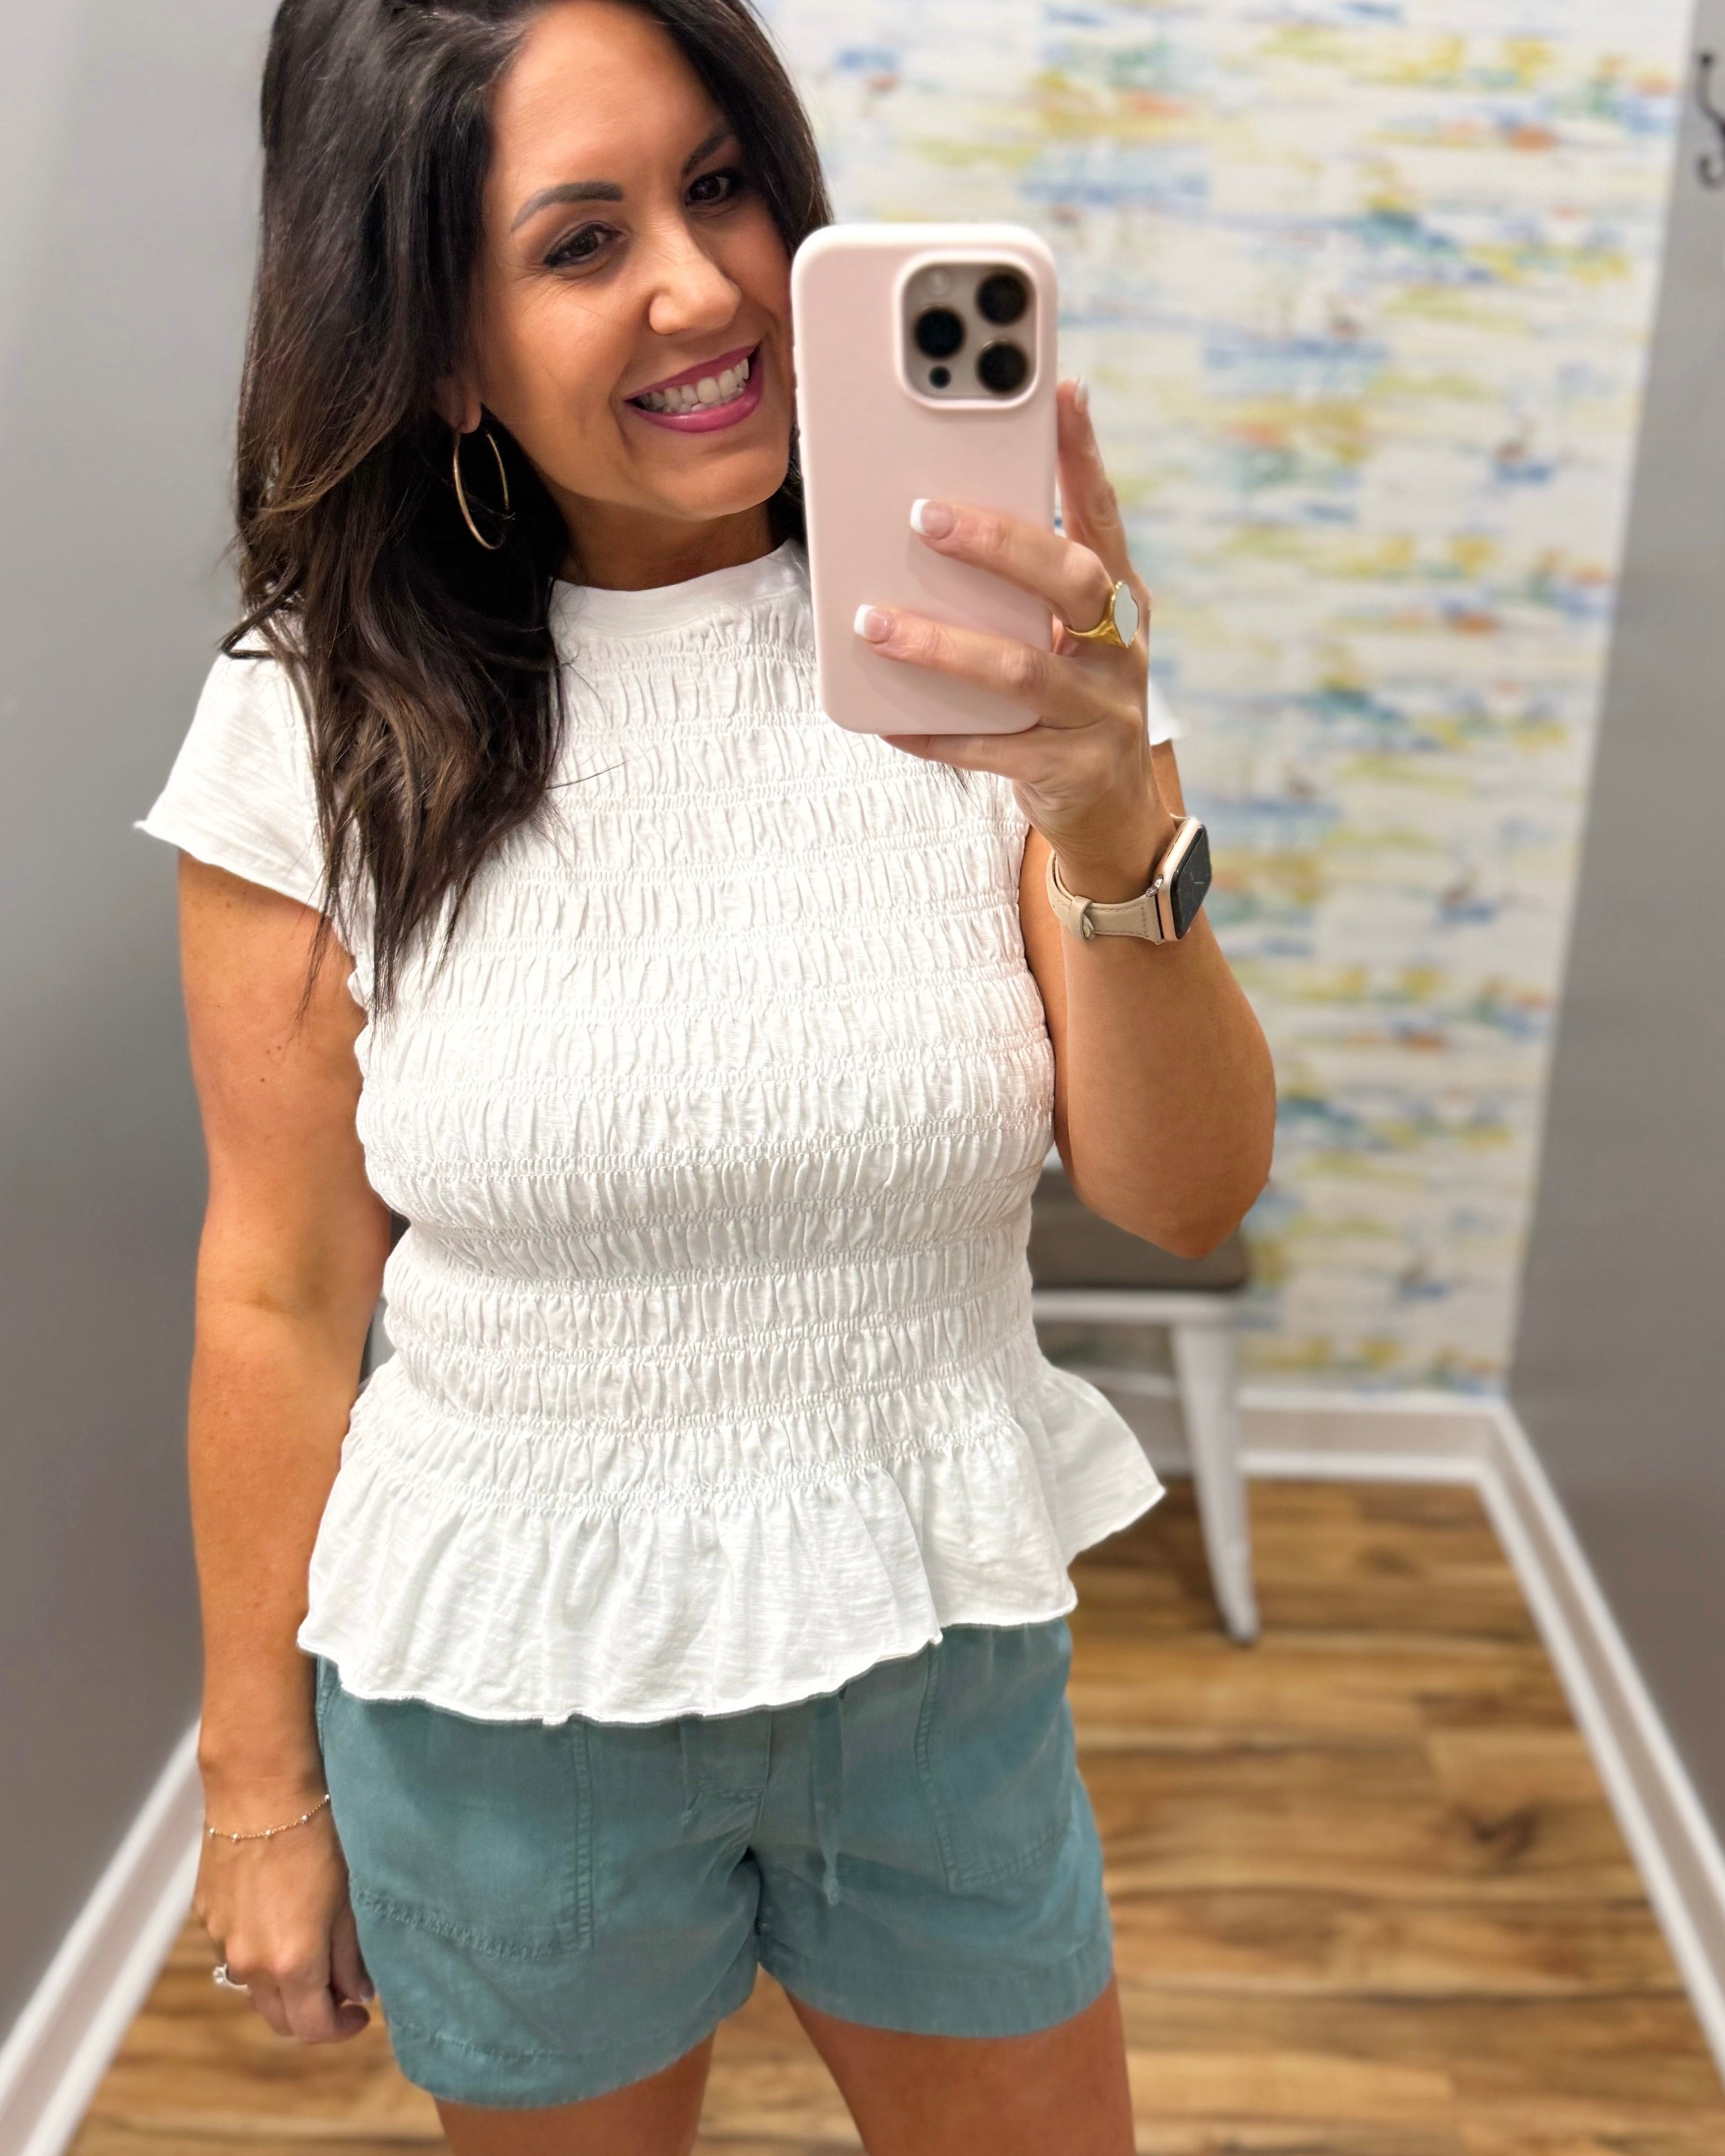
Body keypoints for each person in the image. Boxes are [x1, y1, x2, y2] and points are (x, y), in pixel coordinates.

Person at [140, 2, 1275, 2151]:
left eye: (721, 184)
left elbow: (1185, 1192)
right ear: (440, 348)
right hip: (502, 1694)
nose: (704, 287)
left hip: (929, 1651)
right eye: (582, 243)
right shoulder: (312, 720)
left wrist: (1108, 803)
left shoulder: (984, 644)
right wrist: (255, 1785)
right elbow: (277, 1287)